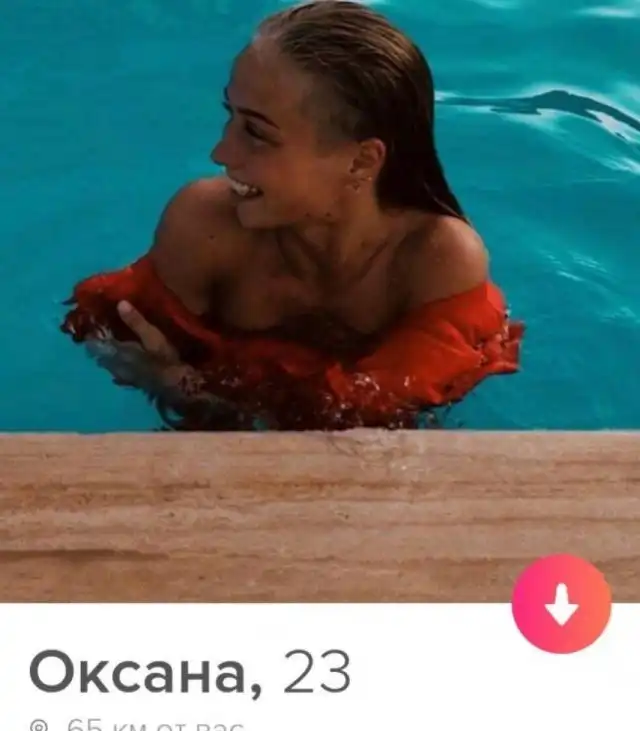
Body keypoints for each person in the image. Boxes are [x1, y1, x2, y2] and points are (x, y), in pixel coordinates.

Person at [62, 0, 523, 431]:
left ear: (361, 161)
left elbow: (374, 425)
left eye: (256, 133)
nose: (221, 152)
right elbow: (108, 334)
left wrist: (185, 383)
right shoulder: (205, 227)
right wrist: (165, 380)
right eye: (230, 116)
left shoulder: (435, 260)